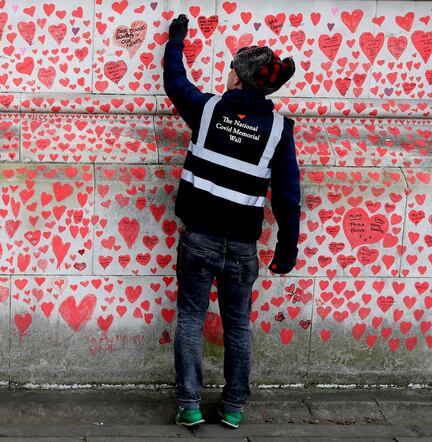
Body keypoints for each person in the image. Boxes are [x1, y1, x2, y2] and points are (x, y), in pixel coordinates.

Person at [162, 14, 301, 429]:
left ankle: (189, 404)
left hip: (199, 239)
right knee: (237, 323)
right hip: (242, 247)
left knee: (190, 317)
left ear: (238, 80)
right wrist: (286, 248)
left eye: (229, 70)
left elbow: (175, 81)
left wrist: (175, 42)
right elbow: (289, 197)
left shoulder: (207, 110)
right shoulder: (279, 130)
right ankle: (234, 406)